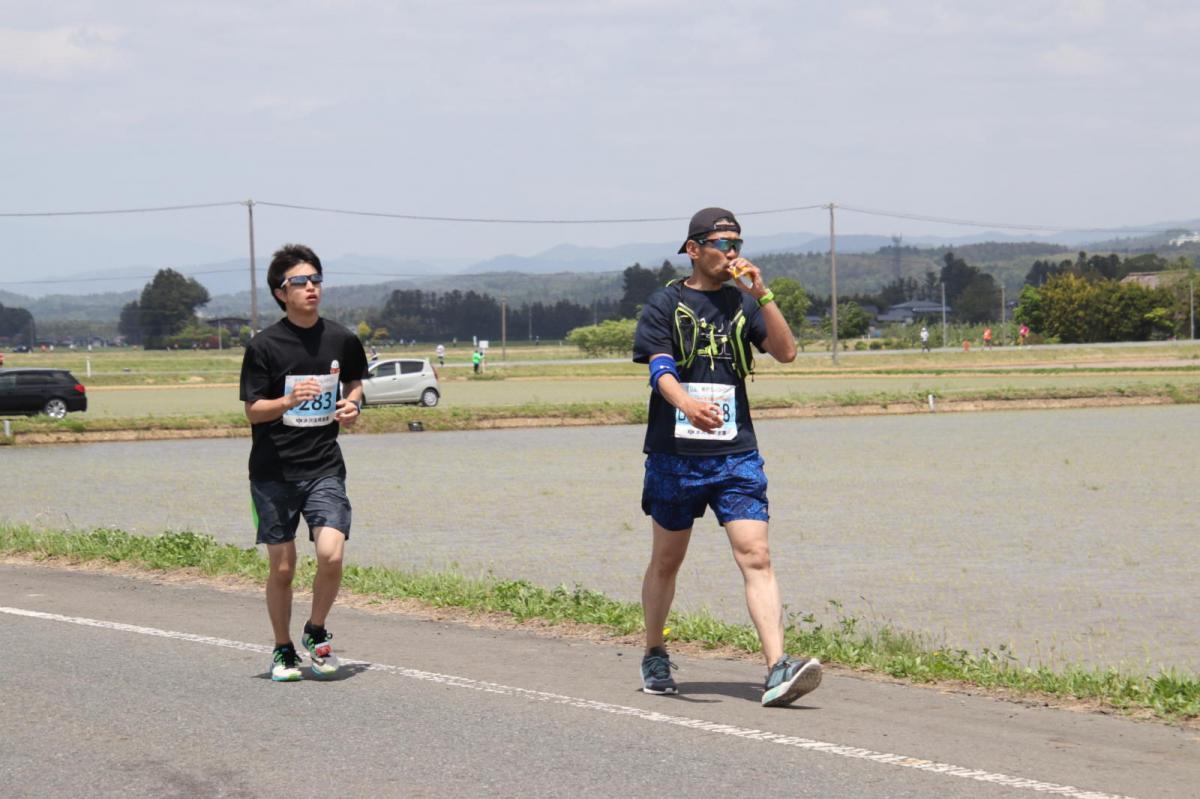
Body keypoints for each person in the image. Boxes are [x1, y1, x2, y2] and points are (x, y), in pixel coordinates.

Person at [632, 207, 822, 708]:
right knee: (667, 561)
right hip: (675, 455)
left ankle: (777, 667)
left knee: (756, 555)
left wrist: (764, 294)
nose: (732, 253)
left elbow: (786, 353)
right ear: (694, 249)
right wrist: (687, 404)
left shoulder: (745, 302)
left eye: (736, 243)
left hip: (736, 454)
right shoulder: (664, 304)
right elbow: (659, 368)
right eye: (721, 243)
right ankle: (654, 651)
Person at [239, 244, 368, 682]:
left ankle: (315, 630)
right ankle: (282, 649)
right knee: (283, 567)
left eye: (315, 280)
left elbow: (355, 381)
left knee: (330, 554)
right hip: (273, 472)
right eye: (300, 282)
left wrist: (351, 405)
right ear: (281, 293)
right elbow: (253, 411)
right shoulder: (264, 346)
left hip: (324, 466)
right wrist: (288, 400)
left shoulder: (341, 338)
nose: (311, 287)